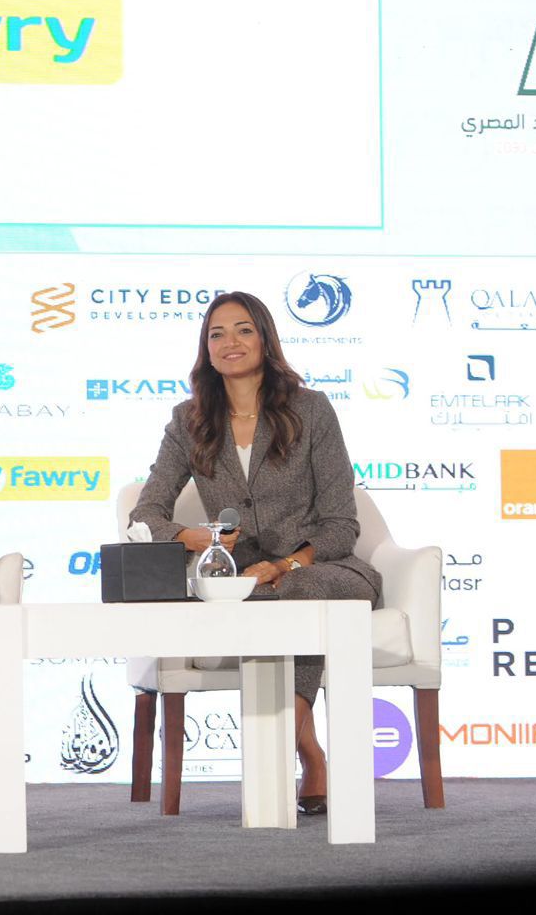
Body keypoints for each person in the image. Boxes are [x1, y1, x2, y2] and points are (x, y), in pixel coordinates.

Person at [128, 291, 381, 816]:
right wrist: (192, 537)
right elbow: (145, 514)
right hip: (244, 583)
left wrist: (287, 564)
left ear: (265, 339)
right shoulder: (189, 421)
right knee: (254, 601)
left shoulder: (311, 410)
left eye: (243, 329)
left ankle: (275, 755)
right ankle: (310, 756)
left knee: (298, 589)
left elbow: (342, 523)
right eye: (216, 334)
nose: (230, 342)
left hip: (325, 569)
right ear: (206, 349)